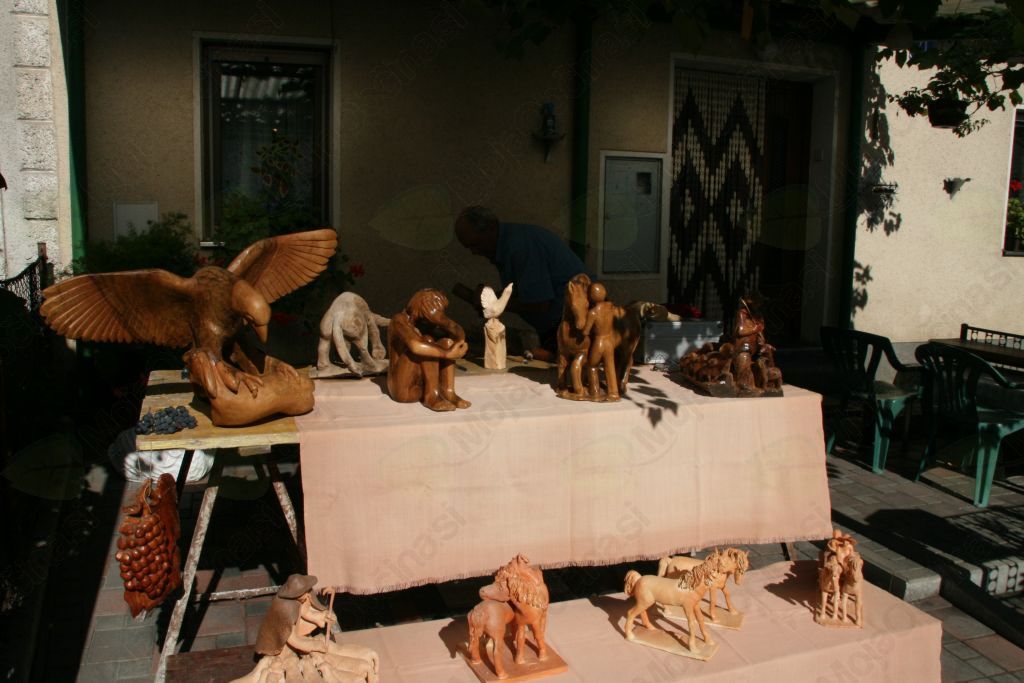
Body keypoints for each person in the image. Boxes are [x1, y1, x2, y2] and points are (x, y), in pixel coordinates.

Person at [453, 206, 591, 361]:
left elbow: (539, 303)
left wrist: (493, 303)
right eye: (469, 247)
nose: (474, 252)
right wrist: (491, 296)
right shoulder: (509, 245)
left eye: (476, 244)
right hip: (559, 327)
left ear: (491, 228)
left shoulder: (520, 247)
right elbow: (523, 292)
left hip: (575, 330)